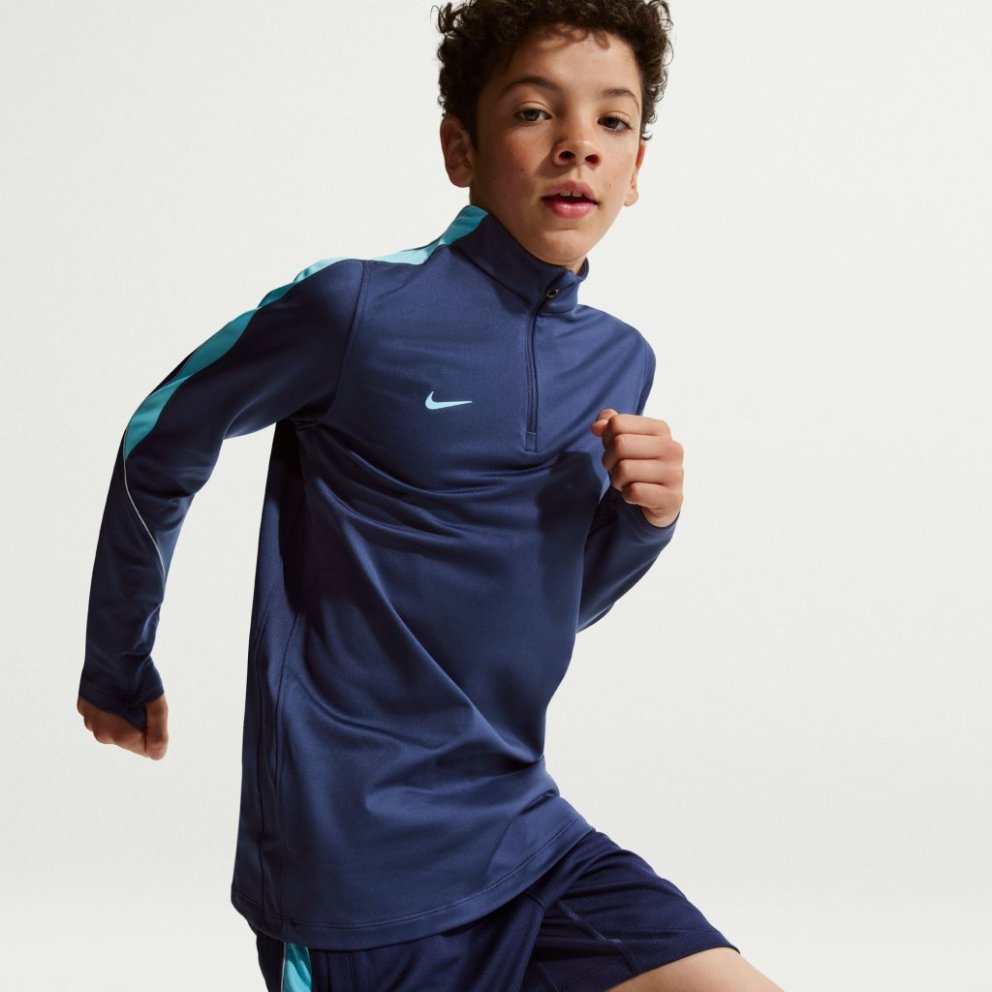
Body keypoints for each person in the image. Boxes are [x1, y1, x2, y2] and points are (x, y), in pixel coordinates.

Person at [76, 1, 784, 989]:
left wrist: (644, 523)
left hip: (523, 832)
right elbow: (163, 435)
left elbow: (546, 601)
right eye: (534, 111)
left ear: (635, 169)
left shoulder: (620, 358)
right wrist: (118, 657)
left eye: (612, 120)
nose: (577, 143)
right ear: (460, 148)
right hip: (350, 868)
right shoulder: (356, 308)